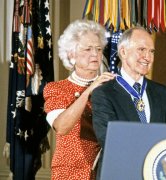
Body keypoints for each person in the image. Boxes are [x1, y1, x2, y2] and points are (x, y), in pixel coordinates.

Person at [91, 26, 166, 179]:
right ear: (123, 52)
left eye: (151, 52)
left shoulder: (161, 92)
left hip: (156, 174)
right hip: (120, 173)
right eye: (141, 50)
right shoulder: (104, 94)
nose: (147, 57)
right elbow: (109, 140)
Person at [43, 20, 115, 179]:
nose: (95, 54)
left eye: (98, 49)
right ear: (71, 54)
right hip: (70, 172)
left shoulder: (111, 88)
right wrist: (89, 90)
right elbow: (61, 127)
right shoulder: (56, 89)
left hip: (106, 170)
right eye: (88, 49)